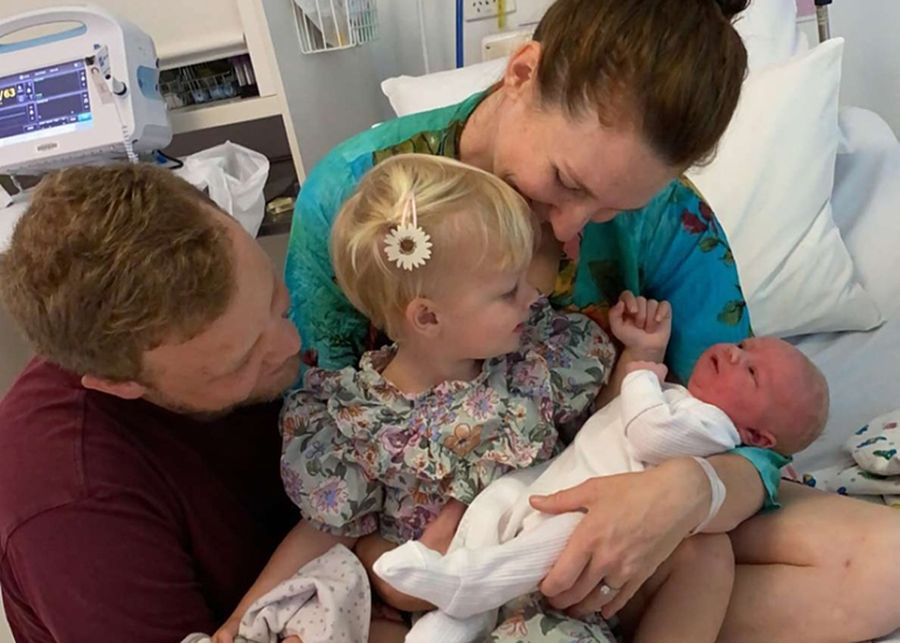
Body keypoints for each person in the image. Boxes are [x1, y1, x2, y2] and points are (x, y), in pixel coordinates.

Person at [284, 0, 900, 640]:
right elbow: (332, 442)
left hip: (629, 490)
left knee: (888, 565)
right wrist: (411, 569)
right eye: (566, 181)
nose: (571, 229)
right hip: (447, 541)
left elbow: (739, 423)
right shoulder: (359, 202)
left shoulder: (670, 220)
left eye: (613, 209)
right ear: (521, 74)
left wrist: (686, 495)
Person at [223, 153, 739, 643]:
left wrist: (639, 360)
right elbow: (323, 532)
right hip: (434, 610)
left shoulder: (536, 359)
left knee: (706, 558)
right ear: (427, 317)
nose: (534, 296)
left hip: (544, 589)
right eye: (508, 289)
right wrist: (236, 621)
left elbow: (603, 431)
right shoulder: (352, 418)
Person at [0, 164, 406, 643]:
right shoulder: (75, 508)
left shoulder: (244, 339)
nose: (290, 343)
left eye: (276, 302)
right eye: (239, 363)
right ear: (120, 385)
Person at [375, 292, 829, 643]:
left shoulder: (712, 429)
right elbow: (619, 414)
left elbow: (649, 431)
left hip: (592, 515)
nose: (734, 355)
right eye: (744, 345)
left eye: (751, 374)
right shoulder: (678, 399)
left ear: (757, 437)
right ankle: (454, 612)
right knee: (494, 504)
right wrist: (646, 353)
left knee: (542, 546)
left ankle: (468, 586)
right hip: (556, 479)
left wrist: (643, 374)